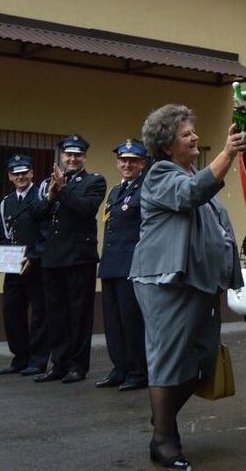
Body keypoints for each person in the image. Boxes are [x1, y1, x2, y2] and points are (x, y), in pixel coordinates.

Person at [131, 105, 246, 469]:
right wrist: (228, 153)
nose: (194, 137)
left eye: (193, 131)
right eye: (185, 134)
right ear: (167, 145)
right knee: (168, 357)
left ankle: (161, 421)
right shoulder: (160, 175)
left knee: (200, 361)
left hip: (200, 283)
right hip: (167, 283)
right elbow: (190, 195)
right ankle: (165, 441)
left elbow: (213, 223)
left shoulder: (192, 172)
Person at [31, 134, 106, 384]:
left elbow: (86, 208)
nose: (72, 159)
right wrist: (52, 194)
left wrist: (62, 190)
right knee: (56, 315)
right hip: (52, 258)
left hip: (78, 258)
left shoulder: (94, 181)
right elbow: (36, 214)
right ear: (61, 156)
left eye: (77, 155)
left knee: (79, 315)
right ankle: (58, 364)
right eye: (68, 154)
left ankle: (77, 366)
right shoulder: (49, 183)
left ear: (84, 157)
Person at [96, 139, 149, 392]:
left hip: (131, 265)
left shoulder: (145, 189)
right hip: (111, 264)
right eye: (123, 160)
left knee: (131, 321)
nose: (127, 164)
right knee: (113, 322)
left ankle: (138, 371)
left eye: (133, 160)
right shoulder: (115, 191)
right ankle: (120, 368)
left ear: (142, 163)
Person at [0, 154, 49, 376]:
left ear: (32, 173)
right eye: (16, 174)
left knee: (39, 314)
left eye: (24, 172)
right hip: (14, 265)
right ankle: (20, 357)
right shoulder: (6, 202)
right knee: (11, 312)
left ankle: (37, 360)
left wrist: (33, 256)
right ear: (9, 176)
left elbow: (46, 232)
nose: (21, 177)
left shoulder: (41, 196)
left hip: (36, 264)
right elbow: (4, 236)